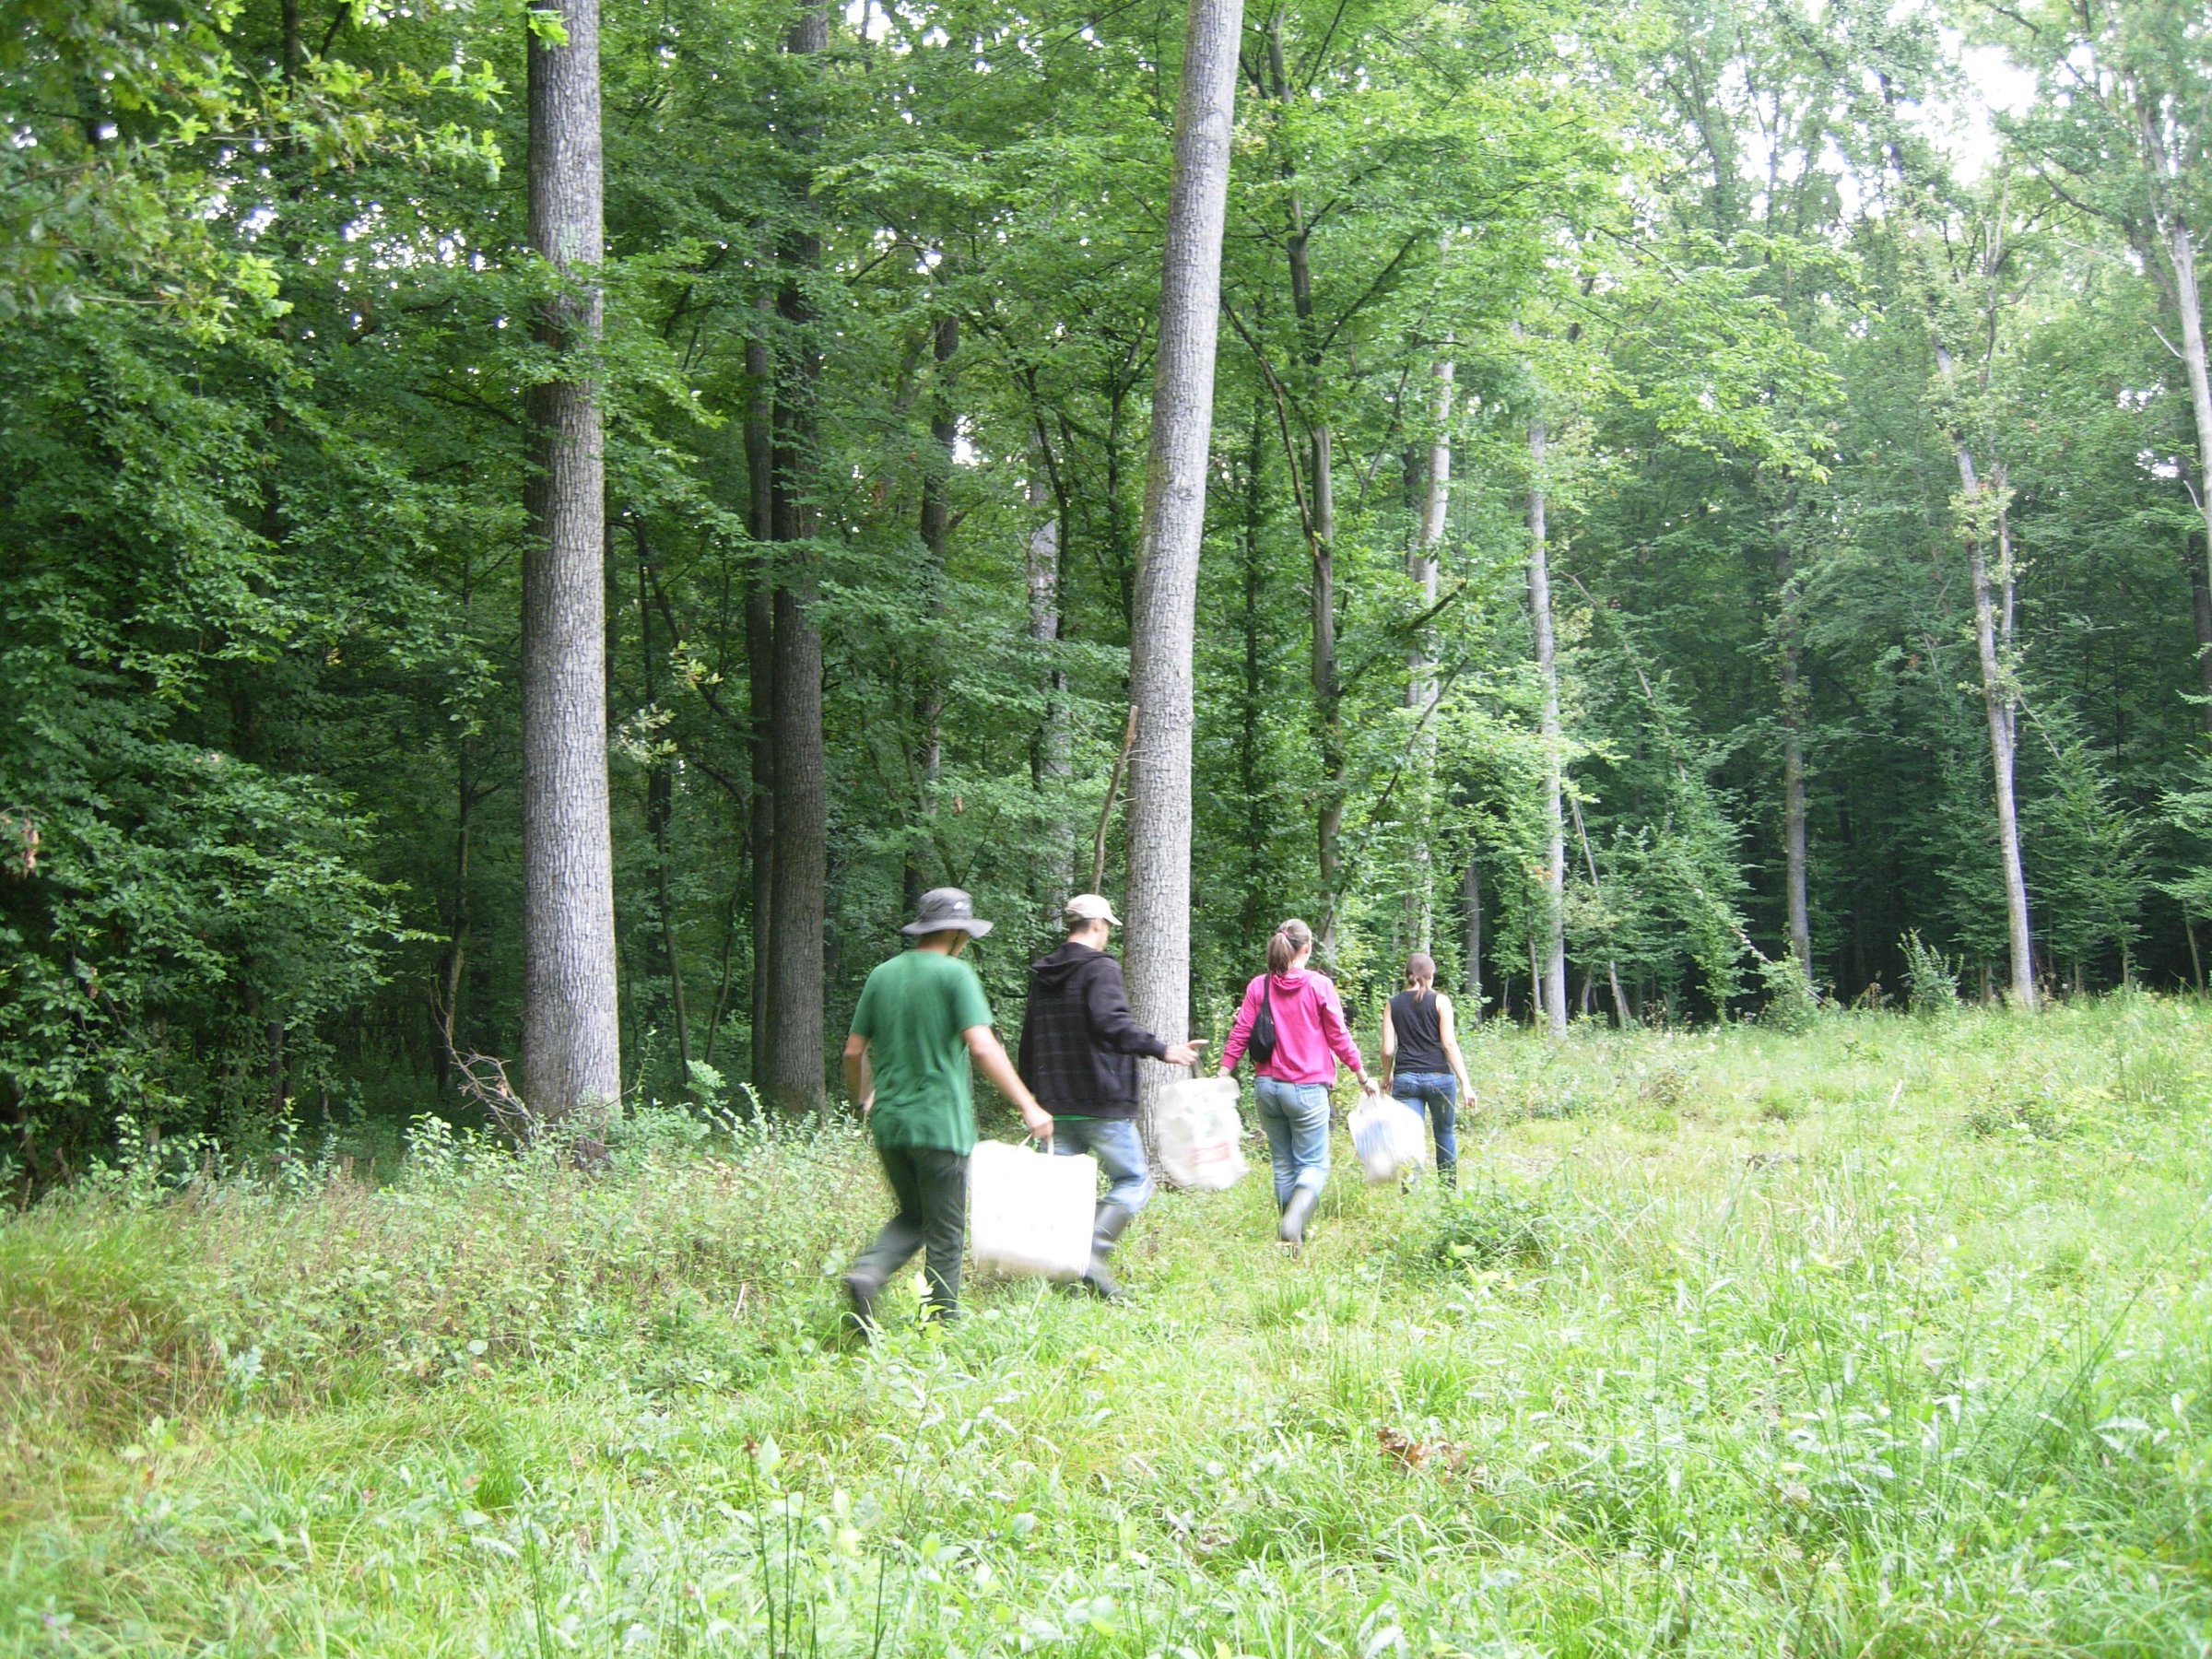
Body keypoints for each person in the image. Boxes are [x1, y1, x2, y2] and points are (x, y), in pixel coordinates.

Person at [841, 887, 1052, 1330]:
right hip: (941, 1125)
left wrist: (864, 1097)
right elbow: (982, 1045)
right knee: (945, 1233)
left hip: (891, 1125)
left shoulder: (882, 974)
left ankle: (868, 1272)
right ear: (957, 933)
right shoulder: (956, 975)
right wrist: (1028, 1105)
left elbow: (853, 1051)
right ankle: (941, 1328)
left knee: (915, 1216)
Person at [1017, 893, 1202, 1300]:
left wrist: (1033, 1094)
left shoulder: (1044, 973)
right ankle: (1091, 1251)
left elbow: (1029, 1037)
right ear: (1098, 924)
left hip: (1054, 1103)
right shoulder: (1100, 968)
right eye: (1107, 929)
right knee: (1134, 1180)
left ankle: (1067, 1274)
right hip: (1101, 1099)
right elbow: (1111, 1023)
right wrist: (1163, 1049)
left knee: (1062, 1191)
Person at [1218, 917, 1378, 1244]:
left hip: (1266, 1088)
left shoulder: (1258, 986)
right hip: (1306, 1088)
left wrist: (1223, 1072)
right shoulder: (1319, 985)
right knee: (1314, 1165)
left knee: (1283, 1164)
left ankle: (1291, 1240)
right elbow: (1338, 1036)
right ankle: (1293, 1225)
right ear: (1307, 948)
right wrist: (1362, 1075)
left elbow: (1241, 1032)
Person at [1379, 951, 1472, 1186]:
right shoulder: (1441, 1001)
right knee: (1445, 1134)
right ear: (1430, 975)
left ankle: (1410, 1193)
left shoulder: (1392, 1004)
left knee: (1409, 1140)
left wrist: (1387, 1076)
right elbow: (1449, 1044)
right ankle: (1448, 1192)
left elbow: (1388, 1050)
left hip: (1406, 1079)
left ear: (1407, 975)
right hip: (1440, 1078)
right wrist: (1466, 1084)